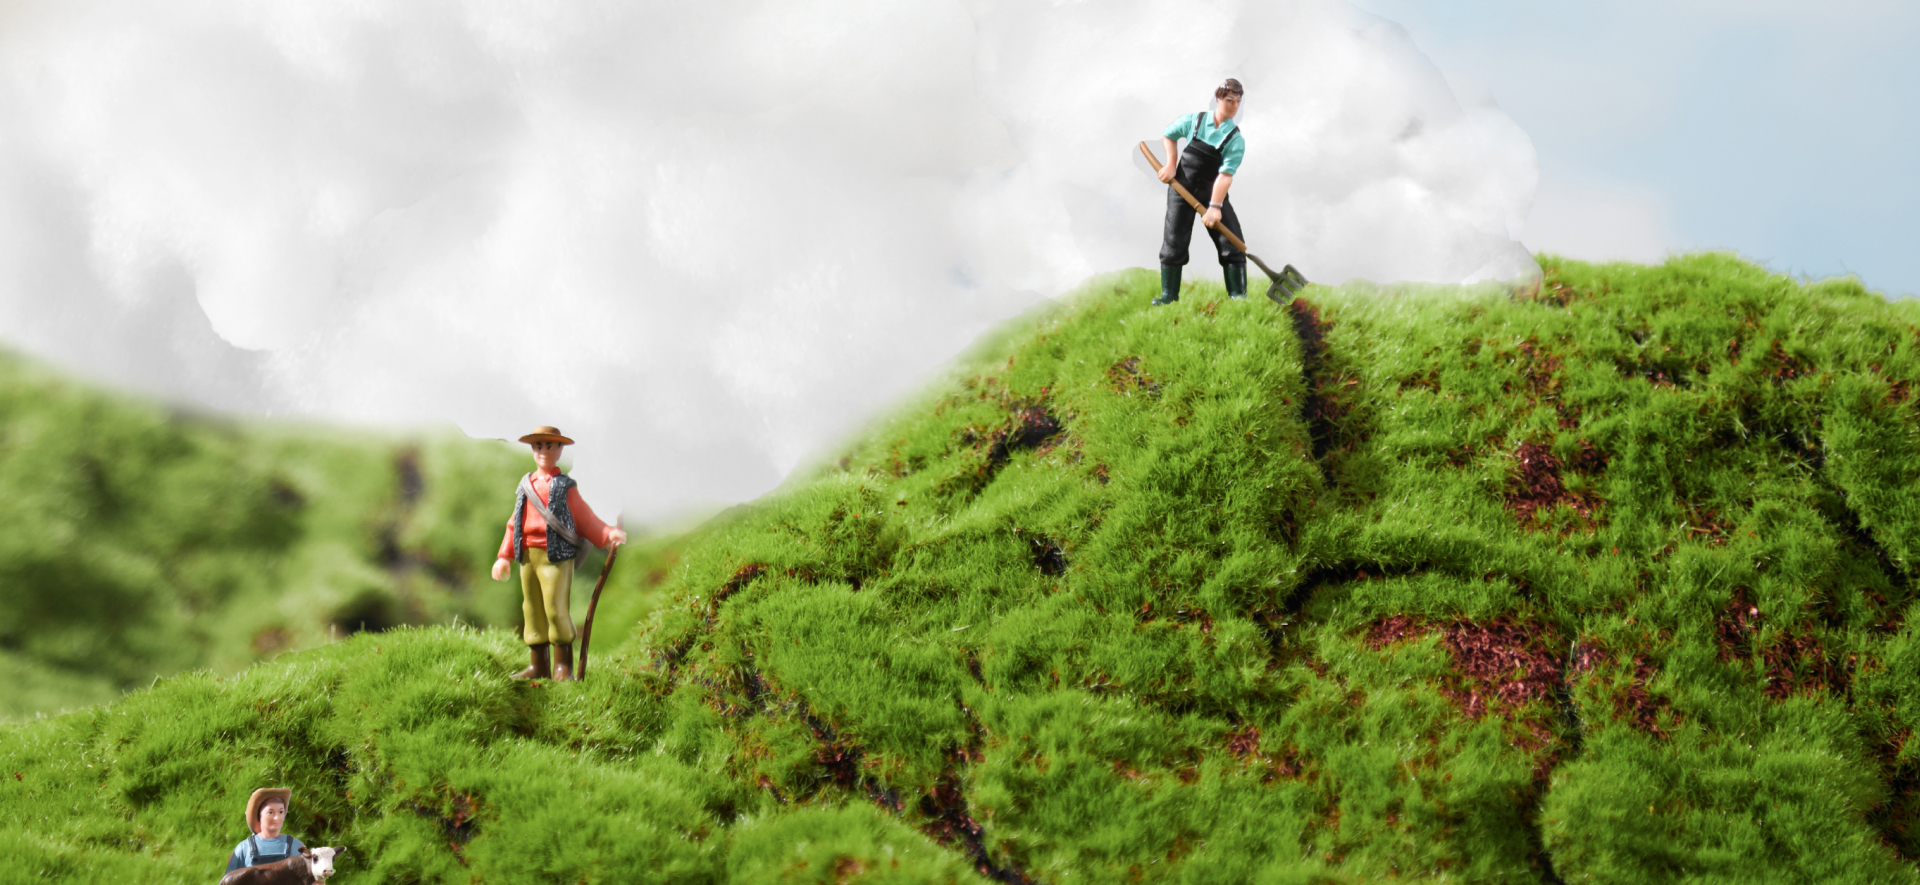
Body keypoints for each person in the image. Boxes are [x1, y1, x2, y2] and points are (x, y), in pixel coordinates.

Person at [492, 426, 627, 681]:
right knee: (532, 608)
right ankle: (538, 666)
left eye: (549, 446)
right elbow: (514, 522)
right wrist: (504, 556)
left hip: (555, 558)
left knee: (555, 608)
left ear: (559, 449)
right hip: (528, 557)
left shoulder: (565, 487)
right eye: (538, 446)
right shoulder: (525, 485)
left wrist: (607, 534)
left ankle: (562, 667)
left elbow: (584, 518)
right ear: (533, 450)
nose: (544, 451)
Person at [1154, 78, 1249, 305]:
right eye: (1229, 100)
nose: (1234, 106)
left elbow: (1225, 176)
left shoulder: (1235, 139)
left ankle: (1238, 295)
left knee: (1232, 240)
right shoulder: (1195, 121)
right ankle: (1169, 295)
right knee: (1174, 240)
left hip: (1212, 192)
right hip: (1182, 188)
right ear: (1218, 99)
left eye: (1238, 101)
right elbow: (1169, 134)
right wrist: (1170, 165)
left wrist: (1215, 207)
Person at [225, 788, 306, 873]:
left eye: (281, 812)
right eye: (270, 813)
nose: (277, 818)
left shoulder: (297, 847)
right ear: (259, 815)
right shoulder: (244, 849)